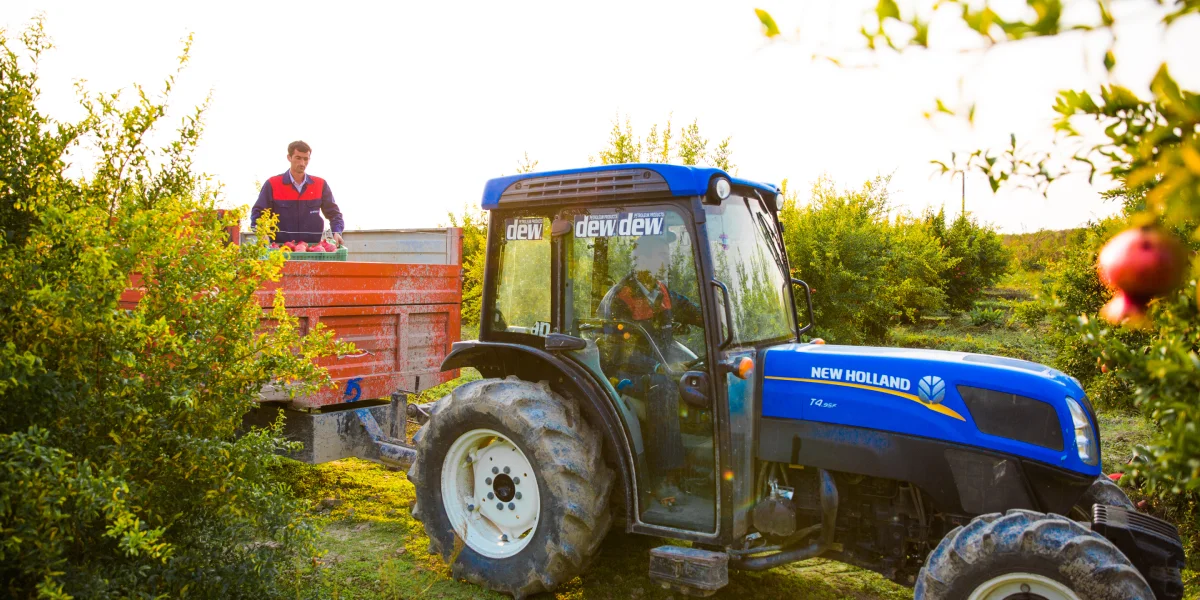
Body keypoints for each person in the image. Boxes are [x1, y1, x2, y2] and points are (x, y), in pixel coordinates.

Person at [598, 231, 704, 503]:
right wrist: (659, 367)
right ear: (641, 258)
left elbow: (694, 313)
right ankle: (664, 478)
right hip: (621, 373)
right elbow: (617, 354)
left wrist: (719, 322)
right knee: (664, 388)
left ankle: (702, 467)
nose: (665, 261)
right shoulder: (621, 298)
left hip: (657, 366)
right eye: (659, 255)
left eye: (665, 255)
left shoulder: (663, 293)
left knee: (704, 378)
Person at [251, 140, 345, 245]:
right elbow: (257, 213)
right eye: (298, 158)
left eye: (305, 159)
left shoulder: (320, 185)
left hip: (312, 250)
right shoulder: (273, 184)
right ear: (289, 157)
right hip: (279, 250)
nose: (302, 163)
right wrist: (262, 233)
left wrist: (337, 232)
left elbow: (334, 214)